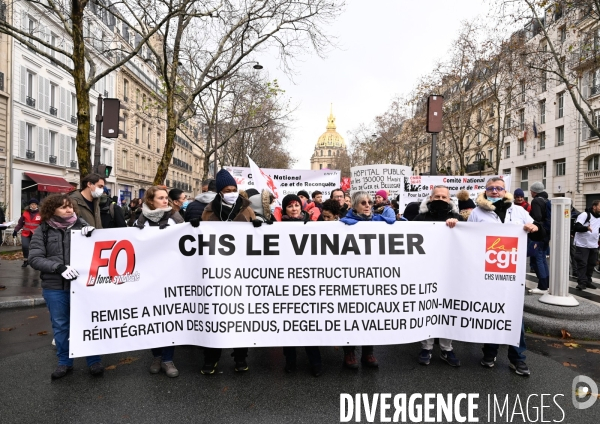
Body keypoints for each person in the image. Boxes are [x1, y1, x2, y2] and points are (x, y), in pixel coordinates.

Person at [468, 177, 540, 377]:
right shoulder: (476, 213)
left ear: (504, 190)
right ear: (485, 191)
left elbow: (537, 232)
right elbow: (467, 239)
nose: (495, 191)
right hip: (487, 272)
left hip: (512, 273)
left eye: (499, 188)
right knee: (492, 313)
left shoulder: (518, 211)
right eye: (491, 188)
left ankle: (518, 359)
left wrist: (534, 228)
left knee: (514, 316)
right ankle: (489, 353)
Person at [28, 193, 104, 379]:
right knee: (61, 326)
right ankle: (64, 362)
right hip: (55, 287)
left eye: (70, 206)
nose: (69, 209)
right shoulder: (43, 231)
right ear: (51, 210)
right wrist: (58, 267)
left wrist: (92, 236)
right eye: (63, 206)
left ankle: (94, 361)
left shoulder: (84, 227)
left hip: (83, 287)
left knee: (88, 323)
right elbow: (35, 258)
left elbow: (100, 253)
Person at [200, 169, 256, 374]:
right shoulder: (208, 211)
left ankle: (240, 357)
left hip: (242, 274)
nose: (232, 192)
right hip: (215, 274)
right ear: (220, 192)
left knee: (240, 317)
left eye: (234, 189)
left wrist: (260, 227)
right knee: (214, 318)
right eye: (227, 189)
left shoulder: (247, 210)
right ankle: (211, 358)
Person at [339, 191, 396, 369]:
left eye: (370, 202)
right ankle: (349, 352)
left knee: (370, 316)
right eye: (363, 202)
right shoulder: (344, 223)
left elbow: (397, 222)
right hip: (351, 278)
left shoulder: (378, 221)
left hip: (373, 277)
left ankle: (368, 353)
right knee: (351, 316)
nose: (367, 205)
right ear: (354, 205)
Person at [135, 186, 184, 377]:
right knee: (153, 318)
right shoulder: (140, 219)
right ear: (150, 201)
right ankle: (156, 356)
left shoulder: (175, 217)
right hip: (149, 277)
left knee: (169, 317)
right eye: (161, 198)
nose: (166, 201)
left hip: (171, 275)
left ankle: (168, 359)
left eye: (167, 198)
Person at [412, 186, 462, 367]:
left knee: (448, 309)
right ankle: (426, 347)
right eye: (437, 196)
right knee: (428, 308)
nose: (440, 199)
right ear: (430, 198)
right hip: (426, 271)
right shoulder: (420, 218)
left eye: (444, 197)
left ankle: (446, 349)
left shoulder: (458, 219)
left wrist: (457, 225)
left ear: (449, 200)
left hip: (450, 272)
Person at [276, 194, 322, 376]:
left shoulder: (312, 225)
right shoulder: (276, 227)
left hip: (308, 283)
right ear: (284, 209)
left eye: (297, 205)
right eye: (290, 206)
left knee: (309, 325)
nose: (294, 209)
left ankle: (316, 362)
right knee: (289, 325)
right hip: (286, 283)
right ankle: (290, 360)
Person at [573, 200, 600, 291]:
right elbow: (576, 227)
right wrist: (586, 228)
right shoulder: (585, 215)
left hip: (594, 244)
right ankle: (582, 282)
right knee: (582, 263)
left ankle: (588, 281)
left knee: (591, 264)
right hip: (582, 244)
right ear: (594, 207)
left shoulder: (599, 217)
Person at [528, 182, 550, 294]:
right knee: (542, 259)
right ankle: (546, 284)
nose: (530, 192)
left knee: (538, 259)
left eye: (531, 191)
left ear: (534, 191)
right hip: (547, 234)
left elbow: (537, 217)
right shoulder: (546, 200)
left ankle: (542, 286)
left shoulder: (536, 201)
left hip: (539, 234)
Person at [13, 198, 41, 268]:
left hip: (36, 234)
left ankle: (36, 261)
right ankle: (26, 260)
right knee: (25, 246)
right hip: (26, 233)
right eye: (32, 204)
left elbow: (43, 224)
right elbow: (20, 223)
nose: (33, 206)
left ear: (37, 205)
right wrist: (15, 230)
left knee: (35, 248)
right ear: (29, 205)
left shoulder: (41, 213)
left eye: (35, 204)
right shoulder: (25, 213)